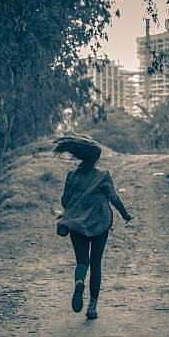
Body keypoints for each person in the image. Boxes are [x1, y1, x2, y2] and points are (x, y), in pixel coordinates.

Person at [54, 136, 132, 319]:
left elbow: (65, 201)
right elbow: (114, 198)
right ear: (95, 159)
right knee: (96, 265)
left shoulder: (72, 176)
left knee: (82, 263)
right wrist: (125, 214)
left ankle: (79, 281)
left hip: (76, 224)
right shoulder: (103, 175)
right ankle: (92, 307)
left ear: (81, 157)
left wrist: (77, 205)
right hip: (100, 224)